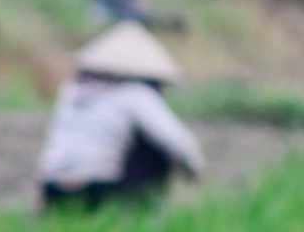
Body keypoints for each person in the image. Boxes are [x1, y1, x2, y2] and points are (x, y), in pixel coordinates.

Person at [37, 21, 205, 211]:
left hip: (51, 189)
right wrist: (195, 173)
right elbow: (177, 141)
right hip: (100, 190)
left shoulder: (71, 91)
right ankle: (141, 213)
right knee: (156, 150)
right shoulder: (135, 93)